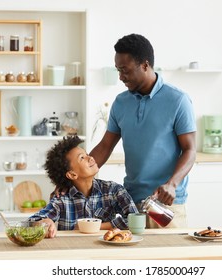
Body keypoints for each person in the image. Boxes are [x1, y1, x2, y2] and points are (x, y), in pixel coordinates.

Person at [90, 34, 197, 228]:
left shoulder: (178, 100)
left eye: (125, 70)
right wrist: (76, 178)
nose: (121, 77)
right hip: (131, 204)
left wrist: (172, 184)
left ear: (145, 65)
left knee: (170, 258)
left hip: (167, 205)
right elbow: (105, 146)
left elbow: (190, 150)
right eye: (118, 70)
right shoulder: (121, 103)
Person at [28, 135, 138, 238]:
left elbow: (135, 220)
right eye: (82, 158)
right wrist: (44, 222)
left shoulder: (113, 190)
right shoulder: (61, 199)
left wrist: (97, 227)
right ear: (72, 174)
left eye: (87, 154)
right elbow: (30, 222)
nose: (90, 158)